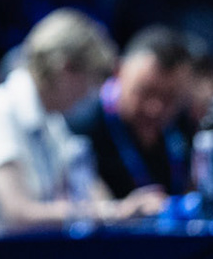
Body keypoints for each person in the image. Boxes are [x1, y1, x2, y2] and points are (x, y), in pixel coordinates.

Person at [0, 10, 165, 259]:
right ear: (66, 69)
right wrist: (109, 212)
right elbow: (18, 214)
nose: (90, 94)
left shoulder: (54, 123)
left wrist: (117, 211)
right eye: (90, 80)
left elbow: (88, 189)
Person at [66, 25, 195, 199]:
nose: (154, 108)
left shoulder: (185, 123)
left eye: (169, 97)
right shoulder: (80, 128)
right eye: (144, 92)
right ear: (118, 72)